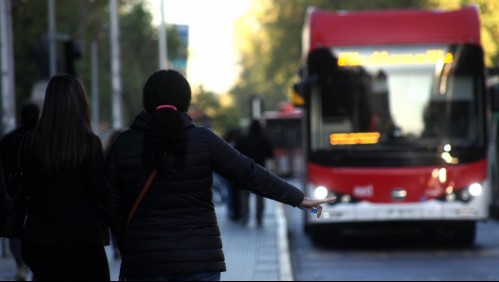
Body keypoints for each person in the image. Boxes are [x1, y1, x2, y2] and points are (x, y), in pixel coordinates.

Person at [99, 69, 334, 281]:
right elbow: (249, 173)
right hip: (199, 260)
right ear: (185, 102)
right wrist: (298, 198)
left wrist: (131, 238)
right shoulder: (204, 140)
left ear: (146, 102)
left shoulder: (124, 144)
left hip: (145, 262)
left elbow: (108, 201)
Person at [4, 73, 111, 281]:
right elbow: (101, 193)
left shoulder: (29, 143)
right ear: (80, 103)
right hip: (84, 243)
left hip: (41, 243)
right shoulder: (90, 144)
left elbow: (21, 190)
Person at [0, 101, 39, 281]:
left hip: (15, 194)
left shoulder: (10, 140)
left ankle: (22, 265)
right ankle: (26, 265)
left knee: (16, 232)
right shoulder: (44, 139)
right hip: (34, 197)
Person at [235, 119, 275, 227]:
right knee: (260, 196)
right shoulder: (264, 139)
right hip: (260, 171)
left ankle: (245, 216)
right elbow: (270, 155)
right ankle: (259, 218)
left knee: (244, 195)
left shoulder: (244, 139)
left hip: (245, 171)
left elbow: (236, 153)